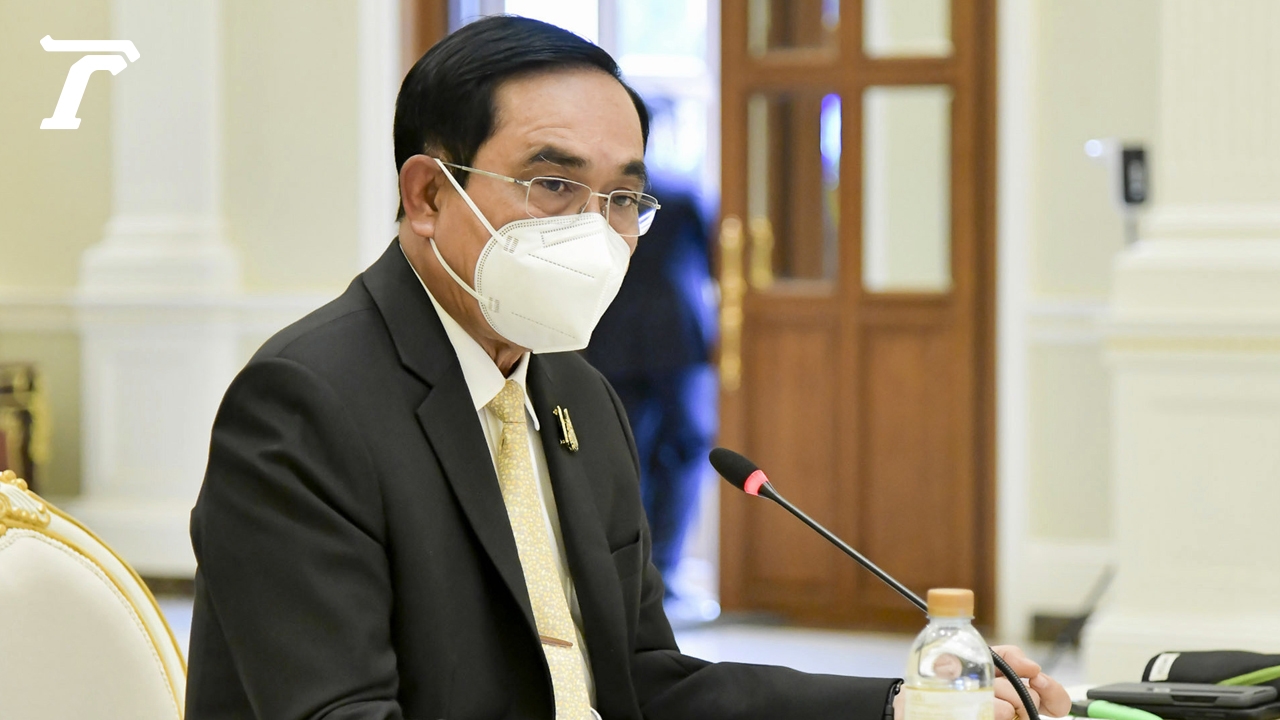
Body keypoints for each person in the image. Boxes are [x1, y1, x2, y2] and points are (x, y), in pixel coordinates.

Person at [185, 15, 1071, 720]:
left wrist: (907, 704)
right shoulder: (305, 403)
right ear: (427, 195)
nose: (597, 231)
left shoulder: (575, 392)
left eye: (622, 198)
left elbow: (641, 679)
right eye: (553, 185)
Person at [583, 177, 718, 612]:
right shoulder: (683, 196)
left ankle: (632, 570)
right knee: (682, 449)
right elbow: (714, 262)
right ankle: (665, 567)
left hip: (615, 333)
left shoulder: (600, 196)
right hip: (675, 335)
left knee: (626, 454)